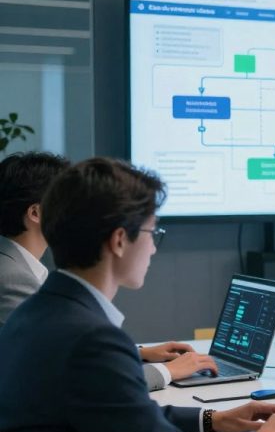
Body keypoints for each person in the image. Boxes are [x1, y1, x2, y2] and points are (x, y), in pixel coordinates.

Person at [0, 157, 275, 432]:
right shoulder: (92, 340)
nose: (152, 248)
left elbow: (125, 417)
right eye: (152, 233)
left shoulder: (35, 313)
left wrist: (214, 419)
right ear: (119, 240)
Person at [0, 151, 214, 390]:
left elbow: (57, 351)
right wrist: (167, 370)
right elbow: (66, 376)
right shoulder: (12, 277)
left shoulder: (17, 266)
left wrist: (137, 353)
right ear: (36, 213)